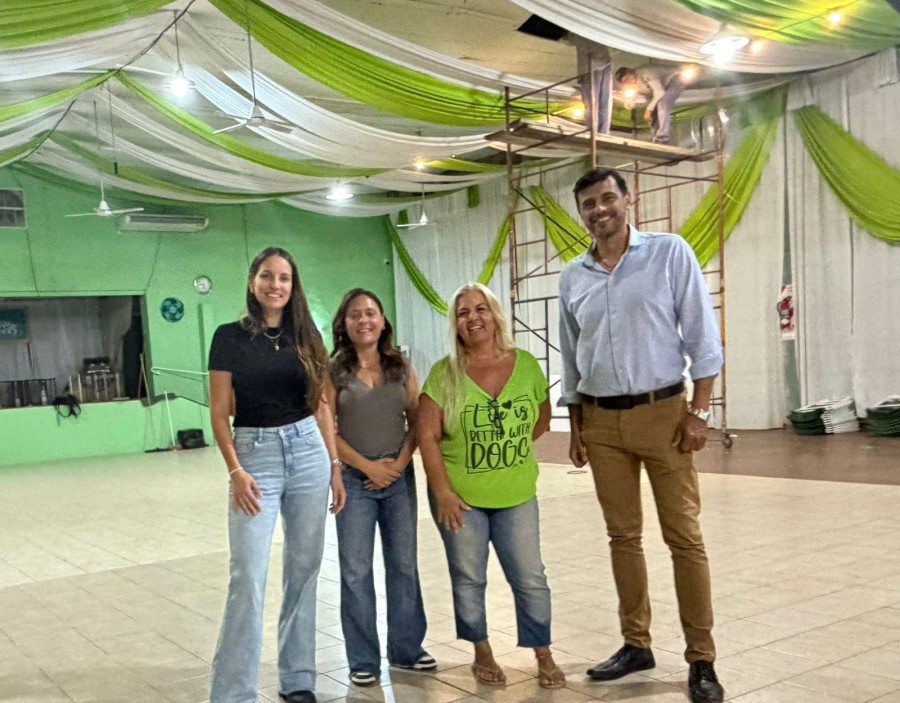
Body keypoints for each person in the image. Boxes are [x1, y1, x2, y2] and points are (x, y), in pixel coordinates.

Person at [558, 168, 725, 703]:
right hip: (602, 422)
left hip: (664, 414)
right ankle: (637, 644)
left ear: (629, 200)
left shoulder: (669, 253)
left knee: (684, 537)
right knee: (623, 538)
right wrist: (578, 425)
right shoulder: (573, 276)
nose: (600, 209)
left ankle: (701, 657)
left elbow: (702, 335)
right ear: (581, 212)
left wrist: (700, 411)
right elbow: (572, 356)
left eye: (608, 198)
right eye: (589, 203)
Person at [208, 246, 346, 703]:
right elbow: (219, 413)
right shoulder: (228, 337)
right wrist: (236, 470)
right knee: (247, 574)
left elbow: (322, 405)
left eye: (284, 277)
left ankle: (298, 678)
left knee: (304, 569)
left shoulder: (308, 336)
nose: (276, 285)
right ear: (253, 282)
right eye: (267, 276)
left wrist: (333, 466)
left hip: (308, 450)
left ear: (293, 285)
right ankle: (233, 692)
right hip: (255, 455)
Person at [418, 282, 566, 689]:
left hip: (516, 493)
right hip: (459, 498)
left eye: (480, 309)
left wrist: (506, 453)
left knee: (530, 576)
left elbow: (541, 419)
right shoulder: (443, 374)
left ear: (495, 315)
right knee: (469, 576)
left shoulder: (527, 365)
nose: (473, 318)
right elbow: (426, 435)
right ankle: (481, 651)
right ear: (456, 324)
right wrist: (444, 492)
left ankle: (543, 653)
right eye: (463, 312)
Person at [326, 288, 435, 687]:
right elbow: (328, 429)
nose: (363, 320)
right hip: (354, 482)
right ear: (345, 324)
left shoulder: (400, 366)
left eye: (370, 313)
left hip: (397, 477)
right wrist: (367, 466)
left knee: (403, 565)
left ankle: (407, 649)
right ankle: (363, 658)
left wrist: (398, 465)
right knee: (355, 571)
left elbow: (418, 420)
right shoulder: (333, 371)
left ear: (383, 320)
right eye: (354, 314)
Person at [615, 65, 687, 144]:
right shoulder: (632, 84)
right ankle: (656, 137)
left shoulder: (646, 73)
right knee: (654, 111)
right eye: (625, 81)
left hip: (675, 79)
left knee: (663, 103)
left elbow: (660, 93)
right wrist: (629, 97)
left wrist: (649, 109)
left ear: (630, 71)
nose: (629, 81)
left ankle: (662, 137)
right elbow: (629, 106)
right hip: (661, 87)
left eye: (628, 77)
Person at [564, 33, 612, 135]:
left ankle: (596, 132)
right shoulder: (587, 32)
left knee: (596, 103)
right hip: (596, 66)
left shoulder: (579, 33)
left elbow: (567, 38)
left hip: (596, 66)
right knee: (599, 103)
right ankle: (599, 132)